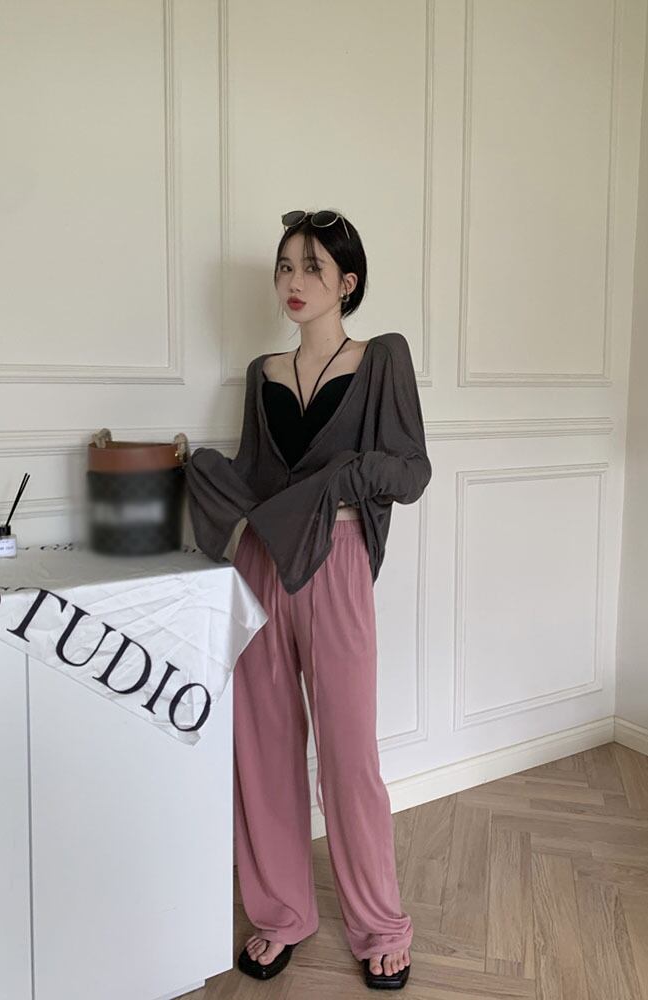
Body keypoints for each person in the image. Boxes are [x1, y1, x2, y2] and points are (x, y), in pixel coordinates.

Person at [186, 209, 431, 990]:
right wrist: (201, 471)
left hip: (337, 558)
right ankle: (281, 914)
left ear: (346, 282)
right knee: (261, 745)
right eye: (285, 266)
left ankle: (380, 925)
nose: (293, 281)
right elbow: (256, 475)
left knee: (349, 753)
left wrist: (345, 475)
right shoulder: (263, 372)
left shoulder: (381, 358)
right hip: (261, 560)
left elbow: (412, 470)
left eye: (312, 268)